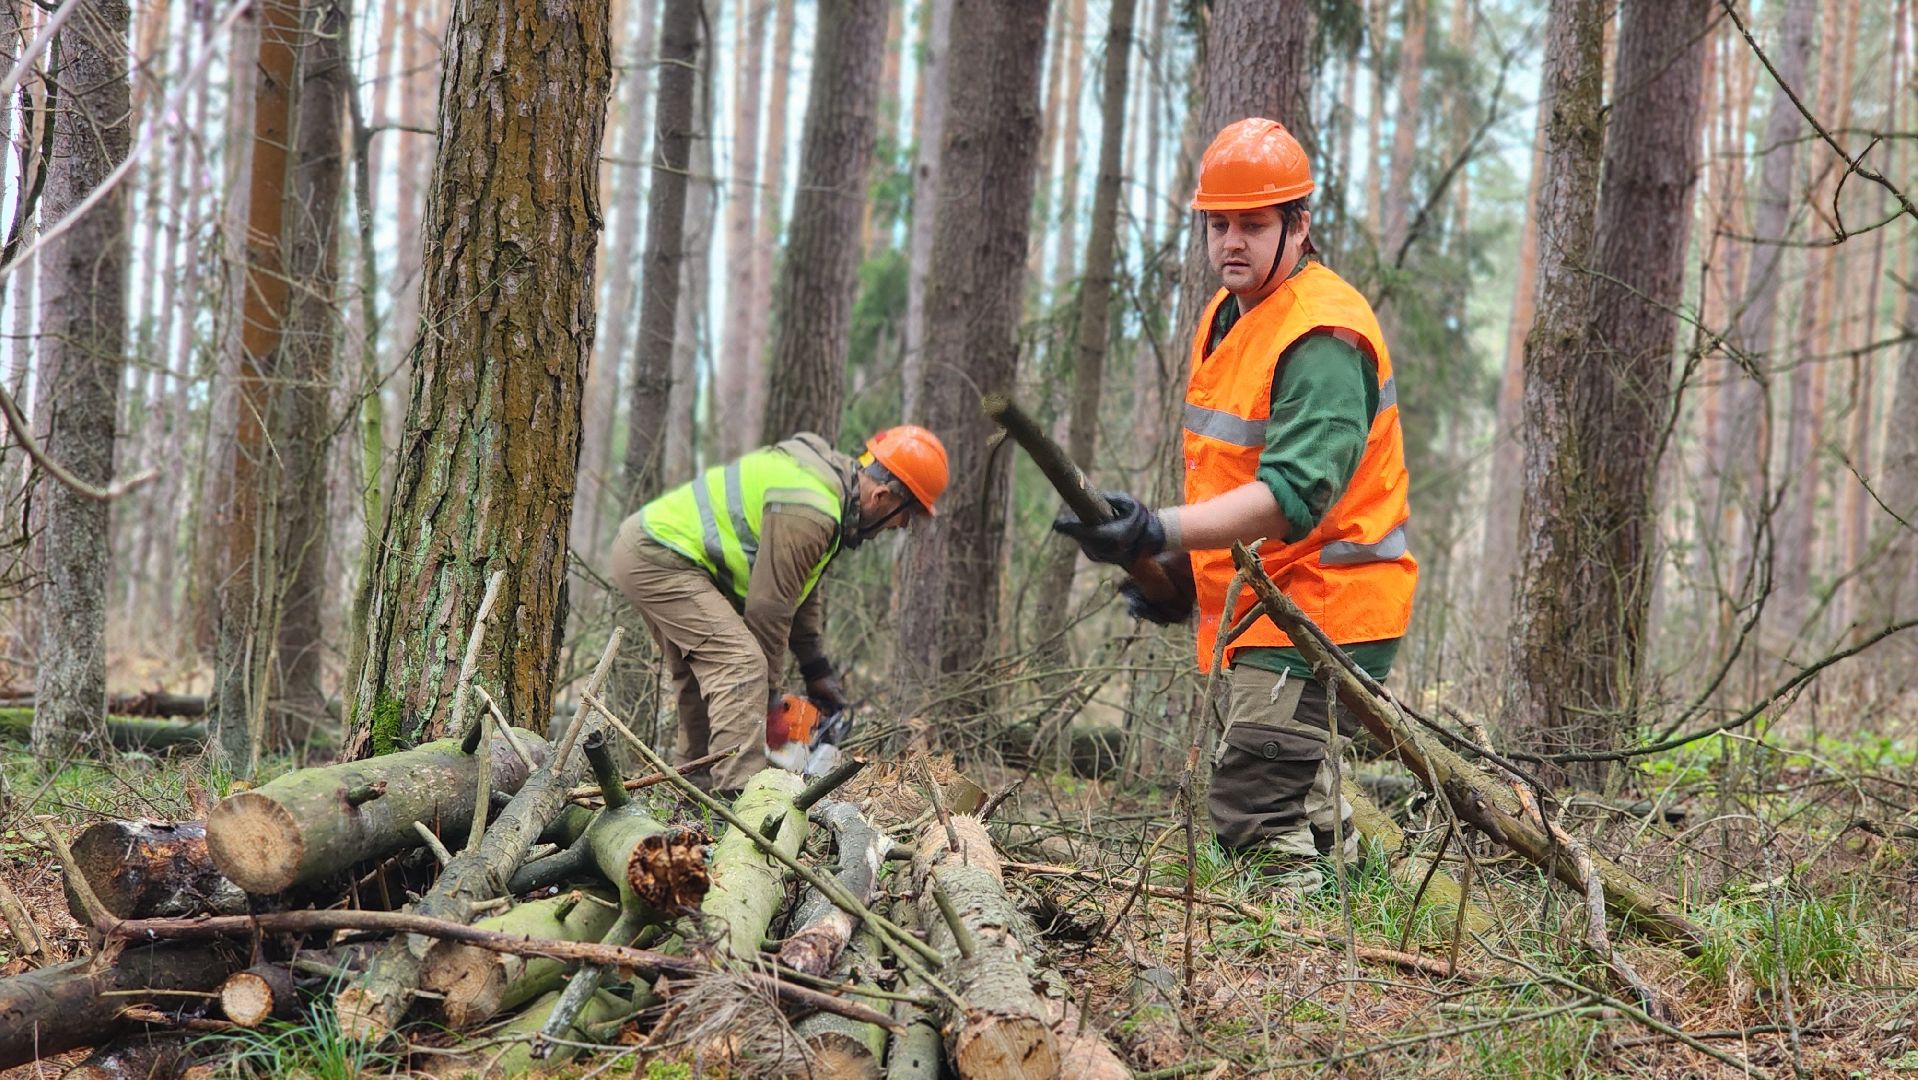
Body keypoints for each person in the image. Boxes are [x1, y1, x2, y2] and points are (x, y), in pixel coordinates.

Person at [1054, 117, 1417, 885]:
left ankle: (1298, 981)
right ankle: (1385, 927)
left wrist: (1158, 531)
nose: (1232, 243)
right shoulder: (1230, 316)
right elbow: (1231, 480)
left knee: (1256, 808)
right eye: (1219, 224)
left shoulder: (1322, 334)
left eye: (1254, 225)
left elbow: (1291, 498)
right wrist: (1184, 574)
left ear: (1300, 224)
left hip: (1323, 607)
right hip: (1271, 601)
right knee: (1311, 812)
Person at [610, 426, 949, 792]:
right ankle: (736, 804)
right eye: (906, 516)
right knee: (741, 666)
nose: (899, 527)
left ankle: (693, 793)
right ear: (883, 496)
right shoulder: (810, 509)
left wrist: (815, 667)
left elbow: (797, 588)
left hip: (653, 549)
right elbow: (768, 610)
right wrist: (770, 703)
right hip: (660, 558)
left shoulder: (827, 493)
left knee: (703, 676)